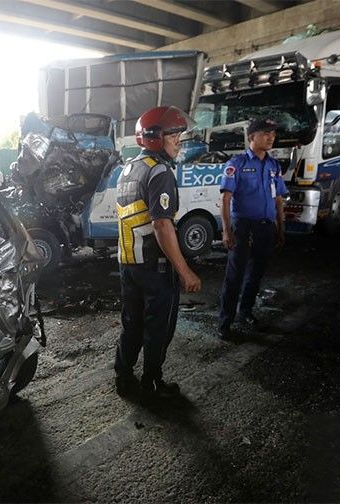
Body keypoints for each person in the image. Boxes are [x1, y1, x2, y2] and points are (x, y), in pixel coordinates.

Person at [114, 106, 202, 401]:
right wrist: (184, 271)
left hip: (129, 265)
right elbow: (163, 225)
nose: (179, 141)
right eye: (173, 135)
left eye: (179, 135)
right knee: (157, 330)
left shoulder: (129, 168)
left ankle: (123, 378)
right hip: (155, 268)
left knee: (132, 326)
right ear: (154, 138)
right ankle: (152, 383)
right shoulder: (160, 171)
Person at [216, 117, 288, 340]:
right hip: (242, 226)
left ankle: (245, 312)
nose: (270, 138)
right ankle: (224, 322)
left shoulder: (274, 166)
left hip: (265, 227)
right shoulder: (236, 164)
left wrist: (281, 228)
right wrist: (227, 231)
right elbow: (226, 200)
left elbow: (278, 201)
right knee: (234, 276)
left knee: (256, 274)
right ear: (251, 137)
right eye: (266, 133)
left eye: (273, 135)